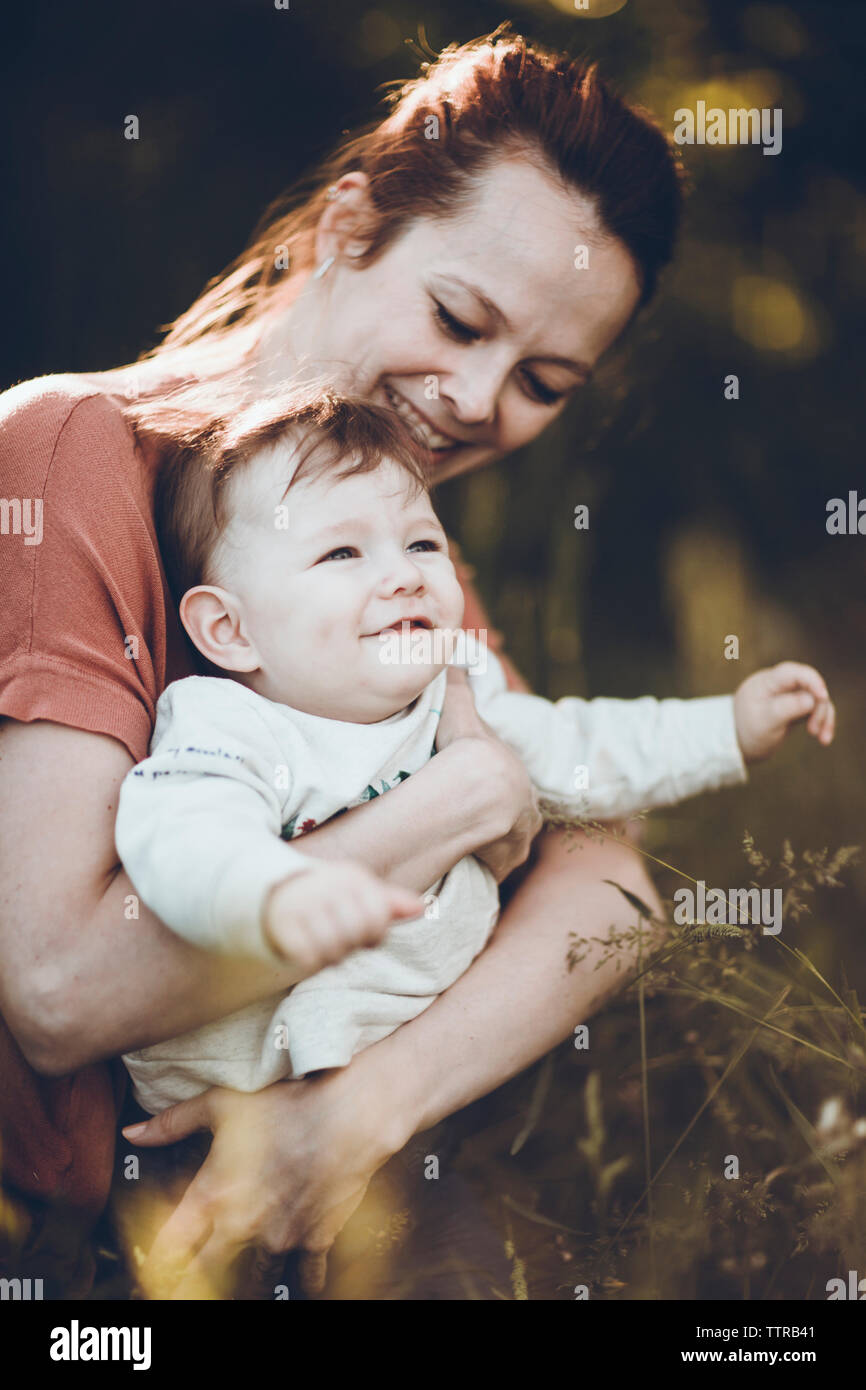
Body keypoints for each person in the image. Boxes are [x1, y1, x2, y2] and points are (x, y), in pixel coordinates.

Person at [1, 29, 835, 1298]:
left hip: (313, 1191)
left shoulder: (401, 562)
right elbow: (58, 989)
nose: (477, 398)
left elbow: (610, 891)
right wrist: (455, 804)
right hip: (65, 1241)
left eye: (543, 381)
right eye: (457, 319)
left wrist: (355, 1112)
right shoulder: (69, 454)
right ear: (347, 228)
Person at [116, 387, 831, 1123]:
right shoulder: (229, 725)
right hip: (228, 1086)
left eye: (421, 544)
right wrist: (274, 894)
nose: (404, 575)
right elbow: (184, 836)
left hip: (400, 1070)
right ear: (229, 631)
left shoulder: (458, 692)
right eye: (342, 552)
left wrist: (728, 729)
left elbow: (583, 748)